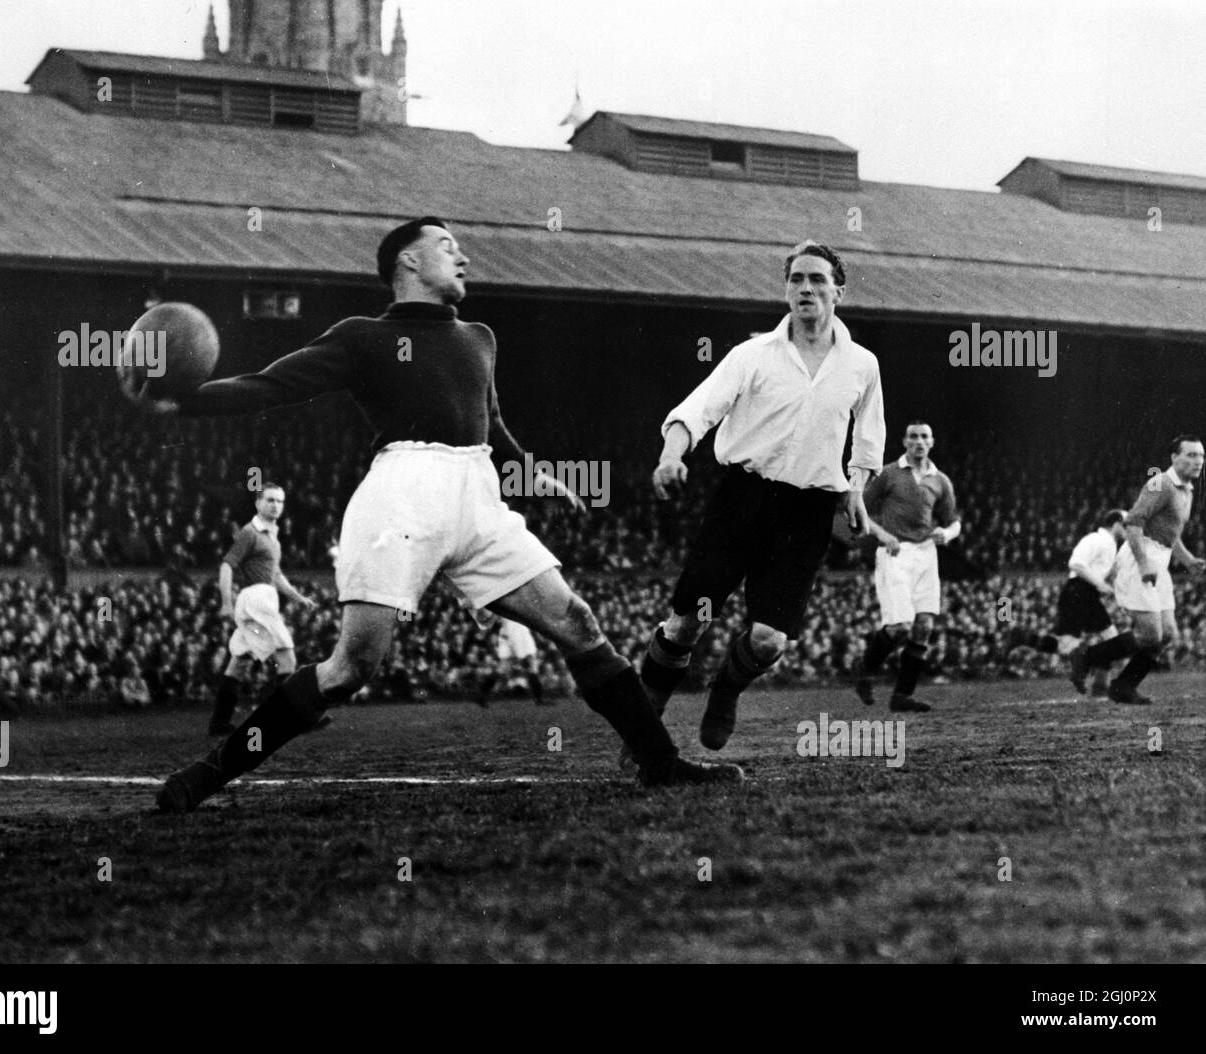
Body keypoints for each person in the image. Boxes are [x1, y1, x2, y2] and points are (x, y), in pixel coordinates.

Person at [125, 216, 741, 811]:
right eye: (448, 246)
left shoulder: (479, 338)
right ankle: (208, 772)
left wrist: (536, 473)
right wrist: (183, 404)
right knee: (350, 668)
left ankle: (661, 765)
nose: (464, 256)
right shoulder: (360, 335)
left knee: (577, 621)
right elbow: (270, 385)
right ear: (409, 261)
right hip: (403, 491)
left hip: (478, 494)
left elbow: (492, 426)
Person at [635, 240, 885, 760]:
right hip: (741, 501)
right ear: (786, 289)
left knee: (770, 639)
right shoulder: (751, 355)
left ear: (839, 290)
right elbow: (697, 409)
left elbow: (868, 436)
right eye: (796, 279)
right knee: (687, 622)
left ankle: (724, 692)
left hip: (809, 511)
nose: (806, 288)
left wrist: (856, 489)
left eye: (817, 279)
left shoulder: (862, 365)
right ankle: (642, 728)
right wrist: (670, 454)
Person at [854, 421, 960, 713]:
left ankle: (902, 696)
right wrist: (882, 534)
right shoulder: (889, 474)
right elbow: (858, 509)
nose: (919, 441)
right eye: (913, 436)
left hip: (927, 554)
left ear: (932, 442)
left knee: (923, 626)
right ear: (904, 441)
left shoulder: (940, 480)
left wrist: (947, 534)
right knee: (901, 627)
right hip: (895, 553)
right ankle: (864, 668)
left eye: (924, 436)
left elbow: (954, 521)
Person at [207, 483, 317, 735]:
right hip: (256, 599)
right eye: (270, 500)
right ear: (258, 503)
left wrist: (298, 597)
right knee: (287, 656)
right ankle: (288, 720)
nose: (275, 505)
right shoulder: (250, 532)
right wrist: (226, 602)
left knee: (240, 661)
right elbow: (227, 565)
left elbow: (275, 575)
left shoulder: (272, 536)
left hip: (262, 598)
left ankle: (219, 722)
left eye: (279, 501)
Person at [1104, 435, 1206, 704]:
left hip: (1160, 558)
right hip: (1141, 554)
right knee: (1151, 635)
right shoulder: (1160, 483)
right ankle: (1088, 657)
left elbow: (1172, 535)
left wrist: (1187, 560)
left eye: (1201, 456)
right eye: (1191, 455)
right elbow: (1133, 523)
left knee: (1168, 634)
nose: (1198, 461)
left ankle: (1123, 685)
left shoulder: (1187, 490)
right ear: (1174, 457)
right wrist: (1143, 561)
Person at [1016, 509, 1135, 696]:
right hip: (1077, 592)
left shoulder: (1110, 544)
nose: (1129, 530)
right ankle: (1023, 638)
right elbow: (1075, 564)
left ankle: (1099, 687)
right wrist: (1101, 584)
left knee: (1112, 640)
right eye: (1127, 525)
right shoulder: (1096, 539)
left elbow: (1102, 570)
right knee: (1068, 647)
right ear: (1117, 524)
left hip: (1087, 594)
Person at [477, 616, 547, 707]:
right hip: (518, 629)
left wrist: (489, 630)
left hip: (505, 631)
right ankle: (539, 699)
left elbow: (494, 617)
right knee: (531, 663)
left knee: (502, 667)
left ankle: (482, 695)